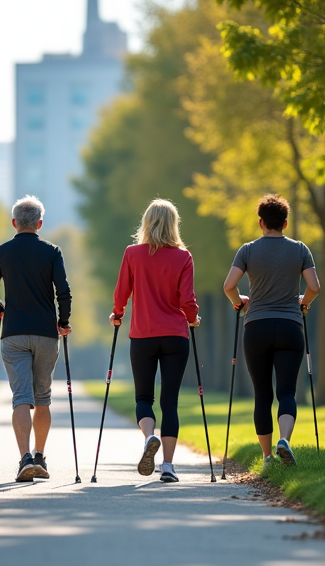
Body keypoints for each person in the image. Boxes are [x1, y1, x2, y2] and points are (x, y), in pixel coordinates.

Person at [223, 194, 318, 468]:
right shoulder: (300, 250)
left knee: (262, 394)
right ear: (285, 223)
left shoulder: (248, 250)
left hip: (257, 328)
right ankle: (284, 440)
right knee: (287, 392)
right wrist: (304, 303)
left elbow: (229, 286)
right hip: (290, 326)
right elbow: (314, 286)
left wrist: (238, 302)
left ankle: (267, 459)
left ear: (261, 222)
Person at [0, 195, 71, 482]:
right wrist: (64, 322)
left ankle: (24, 459)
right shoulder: (52, 251)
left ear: (14, 223)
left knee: (21, 397)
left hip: (14, 332)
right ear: (40, 224)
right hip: (46, 333)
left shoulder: (2, 251)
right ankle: (40, 456)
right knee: (43, 397)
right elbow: (64, 292)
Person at [109, 199, 199, 483]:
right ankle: (169, 466)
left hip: (143, 336)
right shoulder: (183, 257)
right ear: (174, 224)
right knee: (170, 402)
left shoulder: (132, 254)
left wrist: (118, 313)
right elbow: (187, 300)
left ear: (146, 223)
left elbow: (122, 292)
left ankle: (150, 437)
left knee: (144, 398)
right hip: (175, 336)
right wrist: (193, 318)